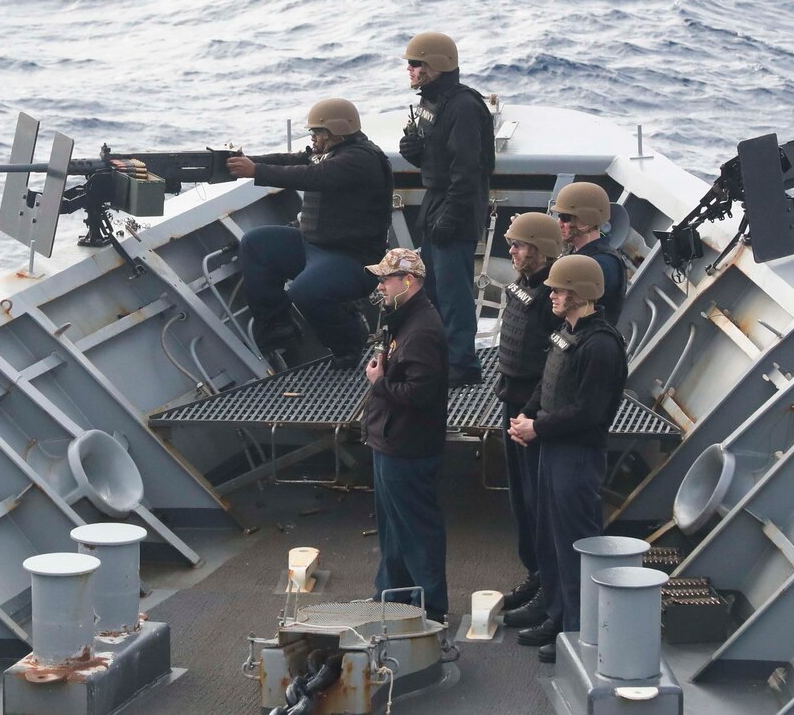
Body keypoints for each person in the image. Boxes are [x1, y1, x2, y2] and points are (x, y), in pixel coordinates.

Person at [508, 254, 629, 663]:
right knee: (550, 538)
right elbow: (549, 381)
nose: (552, 295)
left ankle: (578, 634)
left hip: (576, 455)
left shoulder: (601, 345)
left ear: (579, 294)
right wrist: (527, 413)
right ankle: (558, 615)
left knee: (575, 545)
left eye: (558, 290)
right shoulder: (567, 331)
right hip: (554, 449)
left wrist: (537, 428)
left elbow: (589, 412)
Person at [227, 98, 392, 366]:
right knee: (256, 244)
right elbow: (293, 160)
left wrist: (256, 171)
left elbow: (310, 176)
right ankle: (278, 326)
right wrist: (246, 162)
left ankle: (349, 342)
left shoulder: (360, 159)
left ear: (336, 131)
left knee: (305, 291)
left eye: (317, 132)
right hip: (314, 245)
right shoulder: (331, 152)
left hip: (354, 260)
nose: (313, 138)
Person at [397, 32, 496, 386]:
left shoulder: (463, 106)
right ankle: (440, 356)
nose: (410, 70)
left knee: (454, 293)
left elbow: (469, 170)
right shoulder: (433, 102)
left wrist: (451, 216)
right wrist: (416, 151)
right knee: (435, 289)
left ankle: (463, 366)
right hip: (438, 200)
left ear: (437, 66)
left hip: (457, 204)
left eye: (417, 64)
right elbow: (440, 155)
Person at [361, 248, 451, 630]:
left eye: (386, 279)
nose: (380, 285)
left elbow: (420, 395)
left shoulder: (422, 331)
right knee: (393, 526)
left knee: (416, 528)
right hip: (391, 440)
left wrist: (380, 383)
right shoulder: (404, 320)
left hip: (408, 445)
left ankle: (431, 608)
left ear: (408, 282)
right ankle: (392, 593)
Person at [495, 212, 563, 631]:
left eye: (519, 245)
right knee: (521, 500)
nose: (512, 251)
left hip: (534, 412)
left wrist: (535, 414)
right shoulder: (523, 287)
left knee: (540, 505)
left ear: (539, 248)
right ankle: (536, 574)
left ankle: (549, 590)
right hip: (514, 401)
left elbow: (554, 362)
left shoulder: (553, 295)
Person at [550, 182, 626, 325]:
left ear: (587, 219)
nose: (559, 223)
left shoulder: (603, 264)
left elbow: (570, 308)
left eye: (566, 217)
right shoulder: (576, 253)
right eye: (559, 216)